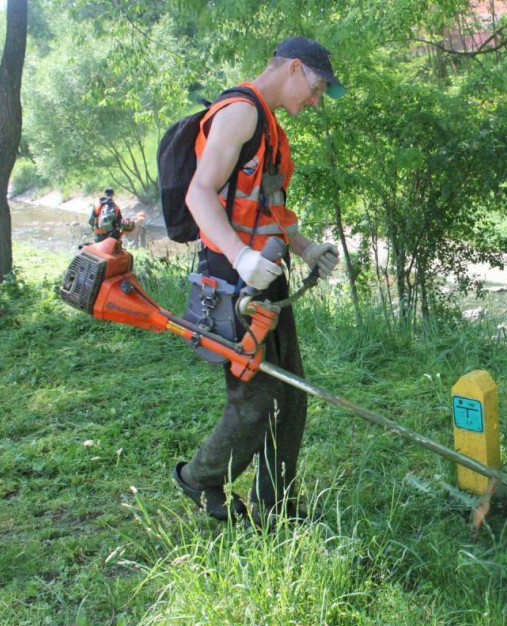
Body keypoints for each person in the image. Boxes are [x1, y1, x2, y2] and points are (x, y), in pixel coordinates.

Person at [172, 36, 345, 527]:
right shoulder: (240, 112)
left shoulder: (270, 130)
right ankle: (199, 478)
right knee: (254, 400)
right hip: (231, 282)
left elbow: (269, 211)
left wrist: (306, 248)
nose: (314, 101)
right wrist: (241, 256)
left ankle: (277, 505)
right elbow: (199, 194)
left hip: (265, 281)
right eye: (316, 88)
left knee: (290, 394)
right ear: (294, 68)